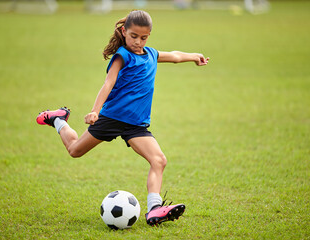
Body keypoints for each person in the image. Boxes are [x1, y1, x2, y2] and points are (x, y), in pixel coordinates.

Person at [36, 10, 209, 226]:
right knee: (74, 150)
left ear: (149, 36)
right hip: (111, 118)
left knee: (159, 160)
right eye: (134, 36)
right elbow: (108, 83)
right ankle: (58, 119)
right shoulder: (122, 56)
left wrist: (195, 57)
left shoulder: (152, 54)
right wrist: (95, 111)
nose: (138, 42)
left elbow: (174, 56)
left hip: (136, 125)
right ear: (124, 31)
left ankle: (154, 209)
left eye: (143, 37)